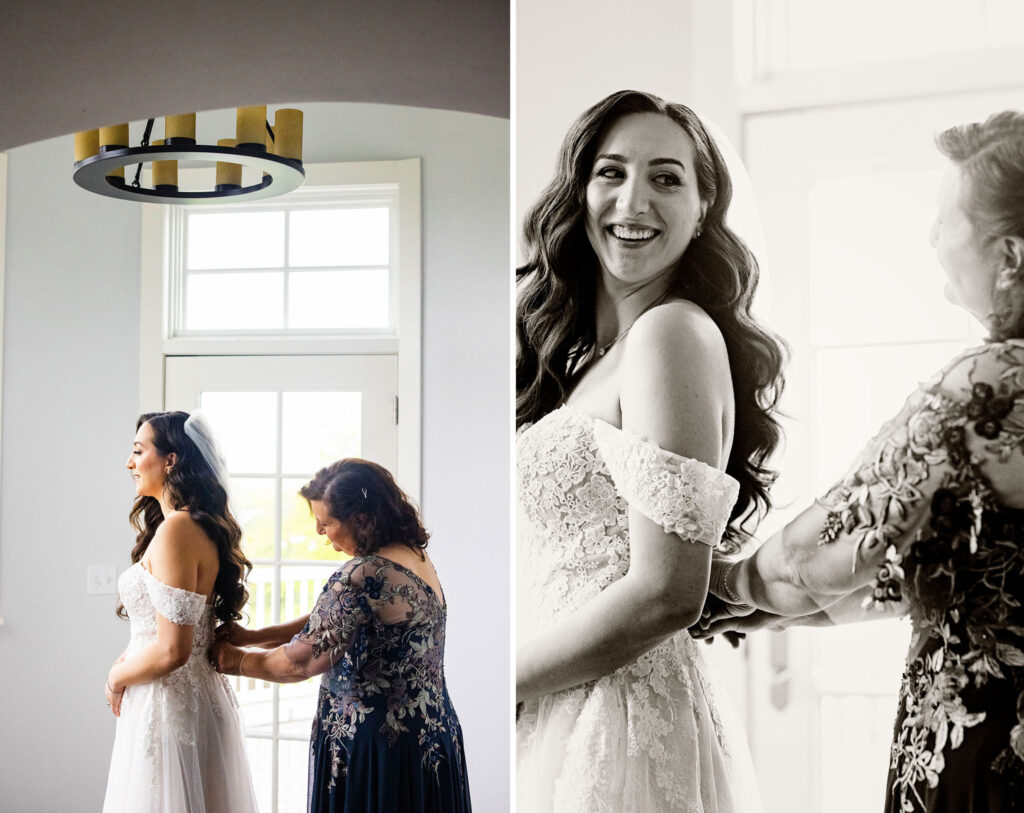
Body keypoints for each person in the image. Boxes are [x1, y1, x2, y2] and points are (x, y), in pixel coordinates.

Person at [700, 110, 1024, 812]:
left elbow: (820, 551)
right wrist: (783, 615)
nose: (933, 239)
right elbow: (975, 579)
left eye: (947, 220)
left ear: (1011, 256)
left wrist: (719, 582)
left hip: (994, 754)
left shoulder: (991, 386)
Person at [515, 89, 786, 812]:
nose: (634, 200)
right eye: (612, 172)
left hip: (619, 717)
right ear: (580, 190)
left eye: (667, 178)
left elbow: (667, 591)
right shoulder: (587, 359)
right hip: (564, 702)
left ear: (703, 209)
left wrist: (498, 678)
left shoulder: (671, 334)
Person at [211, 459, 471, 813]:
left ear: (360, 520)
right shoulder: (413, 555)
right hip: (431, 738)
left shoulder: (363, 574)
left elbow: (297, 663)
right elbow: (335, 621)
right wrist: (254, 635)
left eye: (325, 523)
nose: (320, 532)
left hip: (375, 751)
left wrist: (235, 661)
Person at [102, 411, 258, 813]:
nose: (129, 463)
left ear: (171, 460)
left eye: (138, 451)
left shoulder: (179, 529)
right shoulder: (181, 525)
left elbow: (173, 650)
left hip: (170, 704)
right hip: (172, 699)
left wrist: (117, 677)